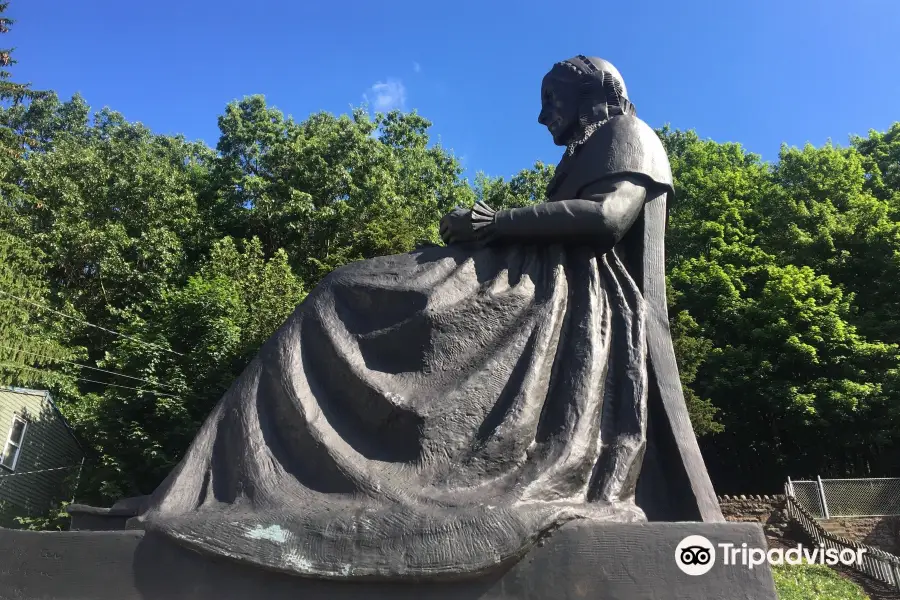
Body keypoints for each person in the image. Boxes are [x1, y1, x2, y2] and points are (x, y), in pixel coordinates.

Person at [133, 56, 706, 580]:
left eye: (552, 99)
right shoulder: (584, 150)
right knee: (343, 288)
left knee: (351, 293)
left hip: (565, 299)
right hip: (525, 279)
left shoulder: (629, 135)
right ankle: (236, 485)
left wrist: (495, 222)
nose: (541, 116)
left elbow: (609, 217)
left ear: (589, 97)